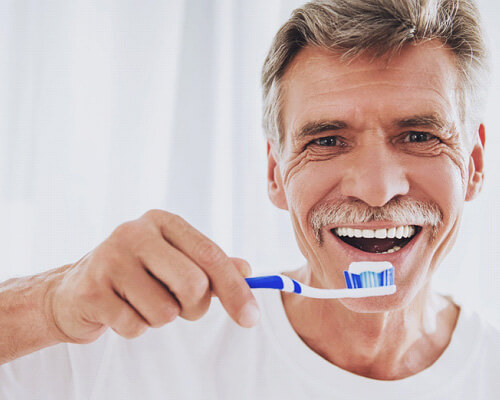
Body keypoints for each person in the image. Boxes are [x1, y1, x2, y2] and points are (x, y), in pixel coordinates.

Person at [1, 0, 499, 398]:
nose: (375, 188)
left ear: (473, 165)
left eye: (417, 135)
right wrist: (47, 305)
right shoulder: (129, 338)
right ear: (274, 173)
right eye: (326, 140)